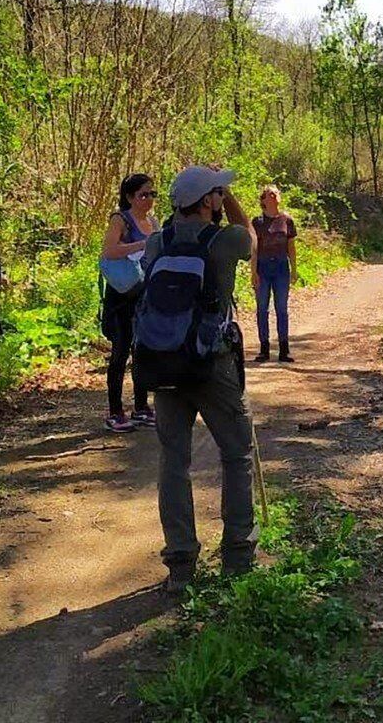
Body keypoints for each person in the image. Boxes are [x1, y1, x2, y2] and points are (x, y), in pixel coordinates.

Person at [141, 165, 257, 592]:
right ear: (209, 200)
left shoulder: (156, 243)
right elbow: (250, 236)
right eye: (216, 192)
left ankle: (181, 564)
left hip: (164, 361)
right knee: (236, 454)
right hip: (213, 364)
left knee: (174, 462)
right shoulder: (225, 240)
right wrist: (228, 199)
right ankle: (238, 557)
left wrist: (212, 195)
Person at [99, 173, 159, 433]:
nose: (148, 199)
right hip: (122, 295)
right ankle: (115, 411)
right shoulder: (120, 220)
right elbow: (108, 251)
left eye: (152, 194)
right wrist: (139, 244)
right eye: (143, 195)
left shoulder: (154, 222)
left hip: (146, 296)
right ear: (129, 197)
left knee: (143, 351)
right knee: (120, 352)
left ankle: (141, 406)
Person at [251, 185, 298, 363]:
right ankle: (264, 348)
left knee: (281, 308)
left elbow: (291, 247)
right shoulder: (257, 222)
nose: (275, 196)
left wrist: (294, 269)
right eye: (271, 194)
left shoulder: (287, 220)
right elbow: (254, 250)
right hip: (262, 267)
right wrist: (253, 271)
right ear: (264, 200)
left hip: (280, 267)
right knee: (262, 308)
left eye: (276, 193)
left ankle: (284, 349)